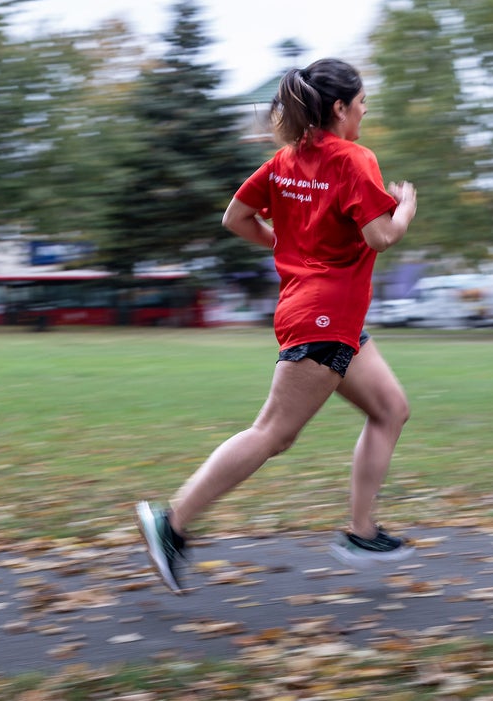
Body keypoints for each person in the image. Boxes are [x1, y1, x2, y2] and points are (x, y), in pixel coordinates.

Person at [135, 58, 418, 594]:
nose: (363, 115)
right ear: (339, 108)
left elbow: (235, 218)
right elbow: (381, 237)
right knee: (273, 433)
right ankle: (172, 524)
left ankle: (361, 532)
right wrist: (404, 208)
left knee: (389, 409)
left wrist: (286, 245)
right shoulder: (356, 159)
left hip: (320, 312)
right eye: (361, 106)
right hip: (324, 316)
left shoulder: (285, 161)